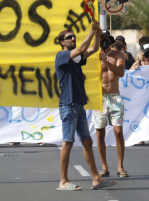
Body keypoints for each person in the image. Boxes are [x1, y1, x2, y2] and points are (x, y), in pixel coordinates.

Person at [55, 21, 116, 191]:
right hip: (68, 105)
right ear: (62, 42)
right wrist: (90, 31)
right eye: (69, 37)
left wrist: (97, 33)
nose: (73, 38)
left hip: (79, 105)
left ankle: (96, 178)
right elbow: (82, 49)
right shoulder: (61, 57)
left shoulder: (75, 60)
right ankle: (63, 181)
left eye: (74, 36)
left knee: (87, 142)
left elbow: (93, 49)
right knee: (67, 143)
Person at [95, 30, 128, 178]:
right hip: (100, 99)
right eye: (101, 38)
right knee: (100, 132)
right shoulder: (93, 56)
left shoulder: (118, 55)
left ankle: (120, 166)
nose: (103, 40)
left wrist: (105, 60)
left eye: (105, 38)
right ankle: (104, 167)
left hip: (115, 97)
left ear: (110, 40)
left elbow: (120, 72)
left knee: (118, 131)